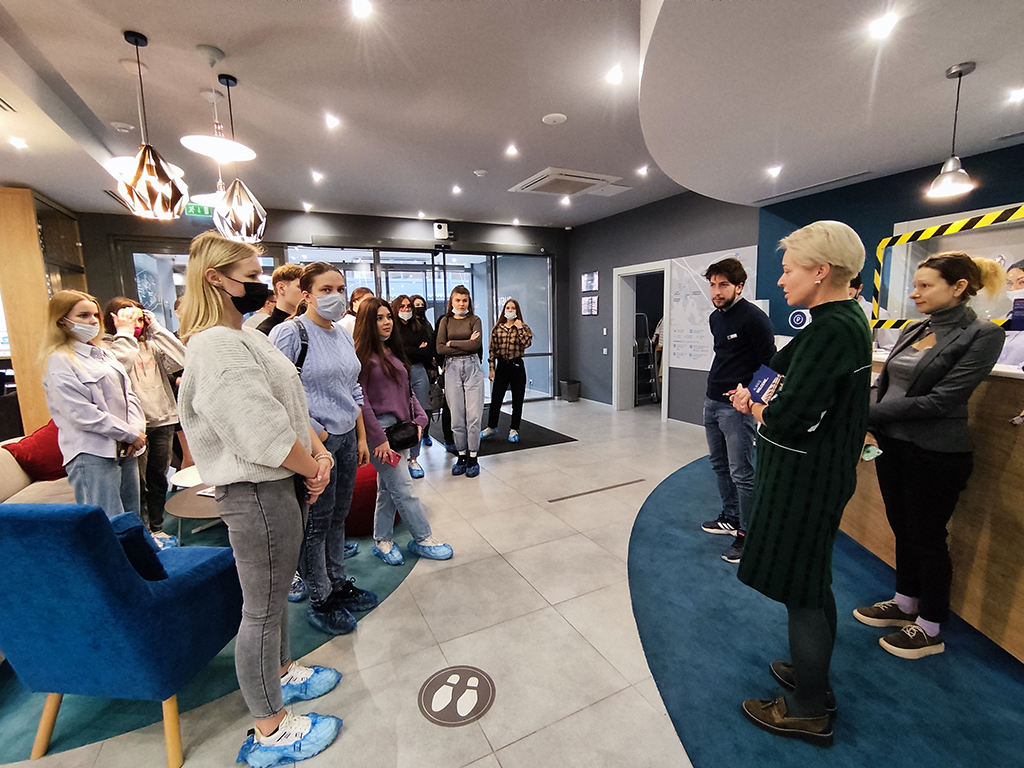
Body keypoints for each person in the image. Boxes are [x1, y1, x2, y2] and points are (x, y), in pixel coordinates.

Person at [177, 231, 342, 767]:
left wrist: (319, 453)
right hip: (256, 489)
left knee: (272, 598)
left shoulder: (246, 335)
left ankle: (283, 671)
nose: (263, 286)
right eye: (250, 278)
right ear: (215, 279)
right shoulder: (214, 345)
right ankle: (270, 728)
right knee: (264, 610)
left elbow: (287, 407)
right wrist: (312, 466)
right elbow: (260, 430)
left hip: (281, 482)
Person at [730, 221, 872, 747]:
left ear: (821, 271)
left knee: (801, 591)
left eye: (789, 269)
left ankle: (809, 709)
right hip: (815, 474)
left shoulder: (833, 330)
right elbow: (778, 368)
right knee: (812, 582)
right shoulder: (835, 322)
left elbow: (790, 416)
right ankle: (814, 678)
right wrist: (757, 395)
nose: (782, 279)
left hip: (805, 479)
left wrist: (757, 408)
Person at [855, 252, 1004, 659]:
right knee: (902, 529)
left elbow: (942, 401)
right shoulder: (916, 327)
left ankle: (931, 626)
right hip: (892, 445)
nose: (914, 293)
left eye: (925, 286)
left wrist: (865, 414)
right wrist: (865, 411)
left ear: (958, 287)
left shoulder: (982, 335)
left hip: (936, 452)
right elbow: (886, 384)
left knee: (928, 537)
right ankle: (905, 602)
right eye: (915, 285)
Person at [270, 261, 377, 635]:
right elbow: (278, 394)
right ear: (306, 295)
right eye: (326, 290)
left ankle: (337, 582)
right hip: (316, 445)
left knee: (338, 516)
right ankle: (321, 598)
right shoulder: (290, 333)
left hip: (347, 437)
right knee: (316, 522)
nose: (336, 296)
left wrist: (360, 437)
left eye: (340, 289)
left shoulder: (342, 334)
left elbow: (353, 388)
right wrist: (319, 436)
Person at [353, 298, 453, 566]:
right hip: (381, 434)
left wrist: (420, 419)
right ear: (366, 322)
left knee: (387, 490)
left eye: (388, 316)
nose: (386, 322)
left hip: (402, 430)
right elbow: (361, 403)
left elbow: (406, 391)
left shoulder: (391, 350)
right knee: (404, 488)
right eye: (379, 318)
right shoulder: (361, 357)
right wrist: (378, 439)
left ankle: (382, 540)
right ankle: (423, 537)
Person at [41, 290, 146, 520]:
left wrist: (137, 432)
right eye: (83, 316)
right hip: (93, 453)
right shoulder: (59, 360)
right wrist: (129, 434)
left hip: (125, 448)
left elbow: (129, 395)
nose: (93, 321)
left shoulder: (104, 353)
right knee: (107, 522)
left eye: (95, 315)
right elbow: (81, 414)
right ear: (62, 321)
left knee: (131, 519)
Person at [698, 258, 775, 564]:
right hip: (712, 400)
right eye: (713, 285)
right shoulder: (715, 318)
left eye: (724, 285)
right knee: (719, 465)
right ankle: (731, 517)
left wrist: (752, 399)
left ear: (739, 286)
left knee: (742, 473)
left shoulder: (754, 318)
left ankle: (748, 534)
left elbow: (771, 365)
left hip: (737, 408)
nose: (716, 291)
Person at [103, 297, 186, 548]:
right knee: (137, 485)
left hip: (164, 419)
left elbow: (183, 359)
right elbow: (119, 368)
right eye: (131, 320)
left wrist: (156, 329)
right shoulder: (109, 348)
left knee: (158, 479)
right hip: (135, 427)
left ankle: (157, 528)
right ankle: (142, 531)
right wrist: (125, 334)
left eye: (140, 319)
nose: (137, 325)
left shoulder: (152, 345)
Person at [436, 285, 485, 477]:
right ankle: (462, 455)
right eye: (458, 300)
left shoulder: (475, 320)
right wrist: (466, 344)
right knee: (456, 417)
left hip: (472, 367)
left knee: (474, 416)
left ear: (469, 301)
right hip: (452, 368)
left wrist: (453, 343)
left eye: (465, 300)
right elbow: (440, 348)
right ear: (452, 301)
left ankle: (473, 457)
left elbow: (476, 345)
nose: (461, 304)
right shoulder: (445, 321)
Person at [391, 294, 434, 478]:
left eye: (409, 306)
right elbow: (393, 352)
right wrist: (416, 350)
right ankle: (399, 455)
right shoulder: (391, 327)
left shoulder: (420, 327)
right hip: (397, 373)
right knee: (400, 415)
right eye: (402, 306)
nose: (406, 310)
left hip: (418, 372)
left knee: (419, 415)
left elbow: (427, 352)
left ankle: (413, 458)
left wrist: (406, 351)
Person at [481, 298, 533, 443]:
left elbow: (527, 343)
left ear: (517, 311)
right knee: (496, 398)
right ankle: (491, 427)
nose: (510, 310)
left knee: (517, 399)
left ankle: (514, 429)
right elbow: (492, 350)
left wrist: (520, 328)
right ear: (504, 311)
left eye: (513, 308)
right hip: (502, 366)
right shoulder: (498, 329)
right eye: (508, 308)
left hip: (517, 366)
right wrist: (492, 368)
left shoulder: (523, 327)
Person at [411, 294, 437, 447]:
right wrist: (418, 350)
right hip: (414, 367)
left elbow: (430, 348)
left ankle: (426, 433)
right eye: (417, 305)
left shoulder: (427, 325)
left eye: (422, 305)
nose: (419, 308)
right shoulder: (409, 327)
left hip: (428, 368)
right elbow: (407, 350)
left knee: (426, 404)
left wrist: (431, 363)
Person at [256, 263, 303, 336]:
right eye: (301, 287)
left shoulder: (310, 324)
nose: (306, 292)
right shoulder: (265, 332)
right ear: (281, 288)